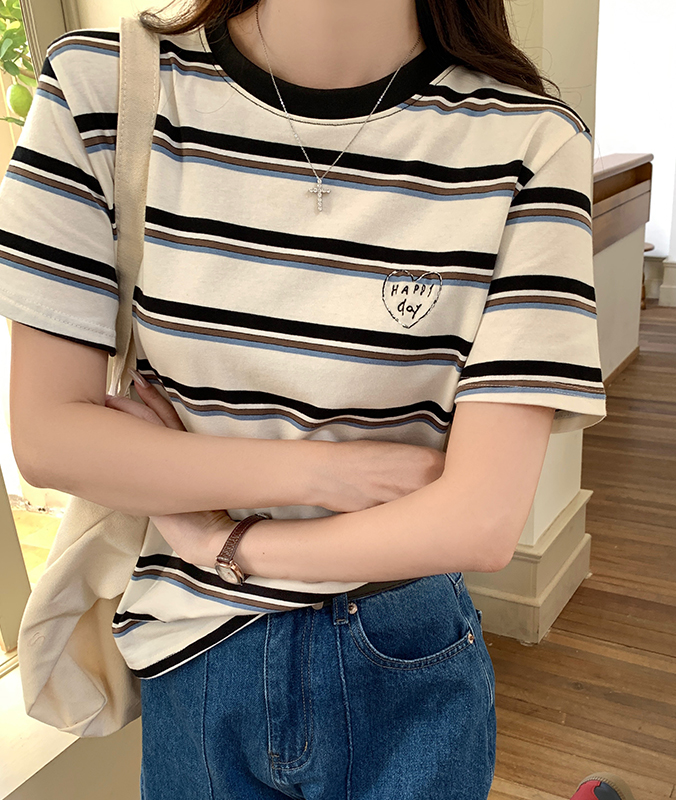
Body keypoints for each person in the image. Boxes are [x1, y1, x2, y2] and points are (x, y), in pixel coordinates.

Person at [0, 0, 615, 797]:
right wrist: (322, 474)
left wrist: (222, 541)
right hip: (194, 647)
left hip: (401, 634)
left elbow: (481, 521)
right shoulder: (103, 89)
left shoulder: (531, 140)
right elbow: (50, 437)